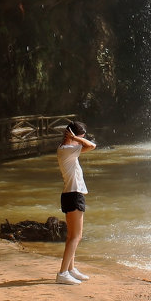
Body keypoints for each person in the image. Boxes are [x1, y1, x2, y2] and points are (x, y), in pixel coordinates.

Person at [55, 120, 96, 285]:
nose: (82, 139)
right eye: (81, 136)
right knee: (76, 236)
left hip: (69, 194)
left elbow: (88, 146)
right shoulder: (67, 150)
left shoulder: (66, 150)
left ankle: (70, 269)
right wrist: (77, 138)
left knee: (72, 236)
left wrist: (76, 139)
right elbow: (92, 146)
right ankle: (63, 273)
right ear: (72, 135)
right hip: (73, 194)